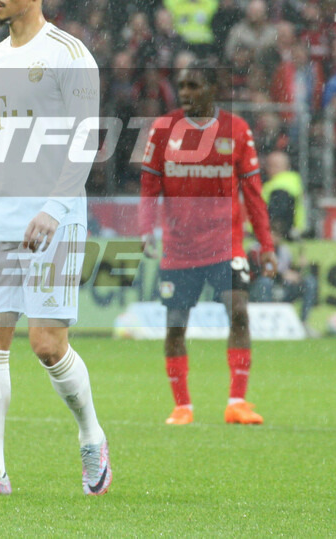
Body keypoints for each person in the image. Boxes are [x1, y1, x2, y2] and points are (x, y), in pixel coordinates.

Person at [0, 0, 110, 497]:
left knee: (46, 344)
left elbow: (85, 139)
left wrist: (55, 209)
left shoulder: (69, 53)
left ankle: (92, 438)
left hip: (53, 220)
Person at [139, 64, 278, 427]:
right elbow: (149, 187)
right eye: (181, 86)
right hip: (179, 248)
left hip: (225, 245)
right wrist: (144, 231)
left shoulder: (237, 130)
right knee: (174, 326)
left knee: (240, 313)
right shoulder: (163, 129)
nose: (184, 92)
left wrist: (266, 244)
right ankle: (182, 406)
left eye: (193, 86)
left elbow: (253, 194)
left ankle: (237, 402)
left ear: (212, 88)